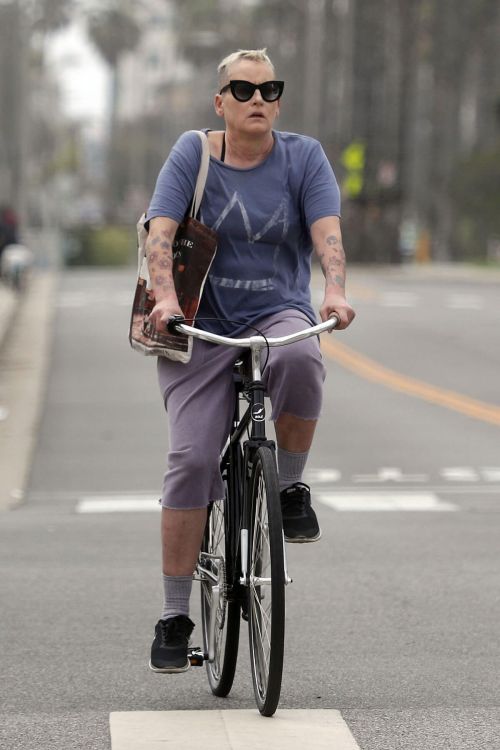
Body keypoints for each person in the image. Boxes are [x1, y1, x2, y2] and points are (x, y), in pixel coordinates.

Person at [144, 49, 355, 674]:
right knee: (190, 460)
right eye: (242, 90)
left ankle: (289, 486)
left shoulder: (304, 157)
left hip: (275, 314)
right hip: (198, 322)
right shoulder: (193, 153)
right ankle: (176, 615)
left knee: (304, 362)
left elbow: (328, 232)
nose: (256, 99)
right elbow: (160, 232)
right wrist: (164, 298)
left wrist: (335, 288)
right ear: (220, 103)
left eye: (268, 90)